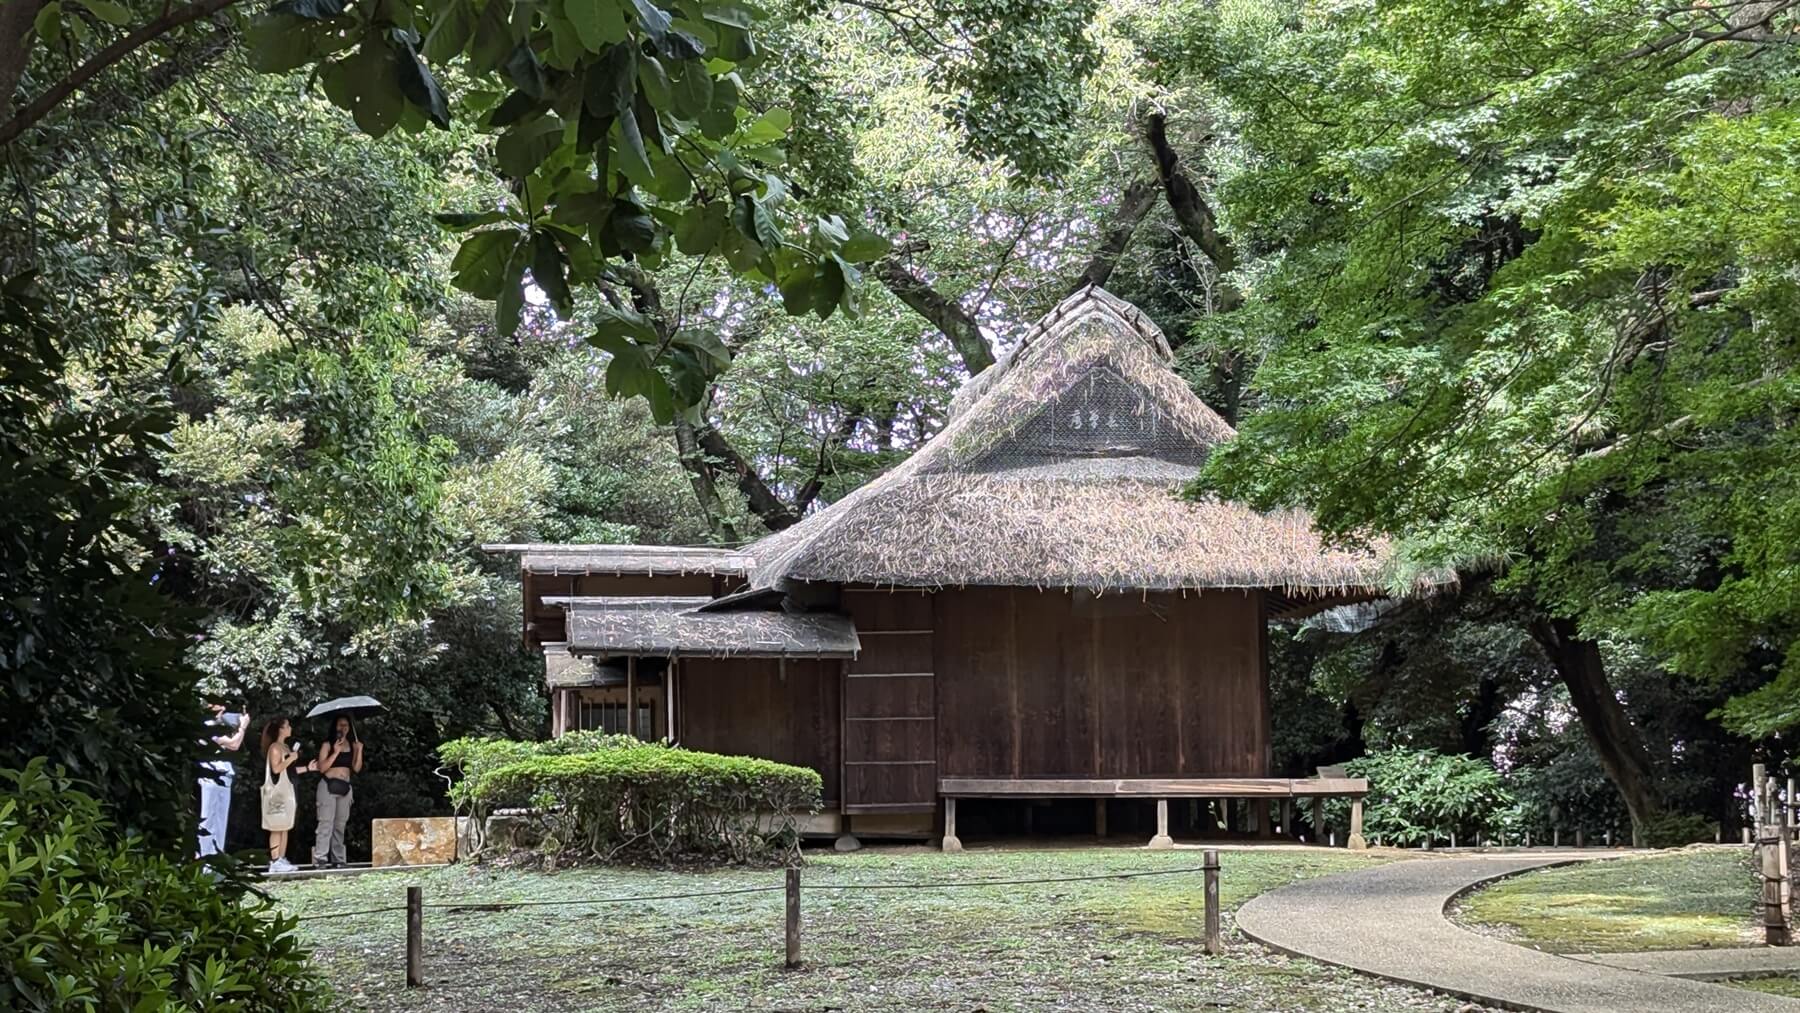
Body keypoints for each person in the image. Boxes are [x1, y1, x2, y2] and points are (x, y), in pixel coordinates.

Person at [259, 717, 314, 873]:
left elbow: (289, 772)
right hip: (278, 793)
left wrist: (308, 768)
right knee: (276, 826)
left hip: (288, 791)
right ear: (280, 729)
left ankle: (281, 858)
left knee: (285, 826)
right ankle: (275, 859)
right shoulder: (275, 748)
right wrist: (291, 758)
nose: (290, 728)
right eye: (287, 725)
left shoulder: (285, 746)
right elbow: (276, 769)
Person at [197, 700, 248, 858]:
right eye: (219, 704)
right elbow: (234, 744)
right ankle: (204, 858)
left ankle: (216, 857)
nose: (224, 707)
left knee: (220, 821)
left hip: (224, 775)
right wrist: (243, 727)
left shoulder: (218, 725)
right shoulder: (207, 726)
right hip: (211, 777)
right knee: (208, 819)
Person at [312, 715, 365, 868]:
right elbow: (322, 768)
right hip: (328, 785)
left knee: (340, 824)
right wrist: (335, 752)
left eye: (346, 725)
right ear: (335, 726)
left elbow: (356, 768)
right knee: (326, 822)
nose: (343, 728)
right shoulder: (327, 744)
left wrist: (359, 750)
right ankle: (321, 857)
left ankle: (338, 859)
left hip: (345, 786)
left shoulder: (352, 744)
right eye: (340, 725)